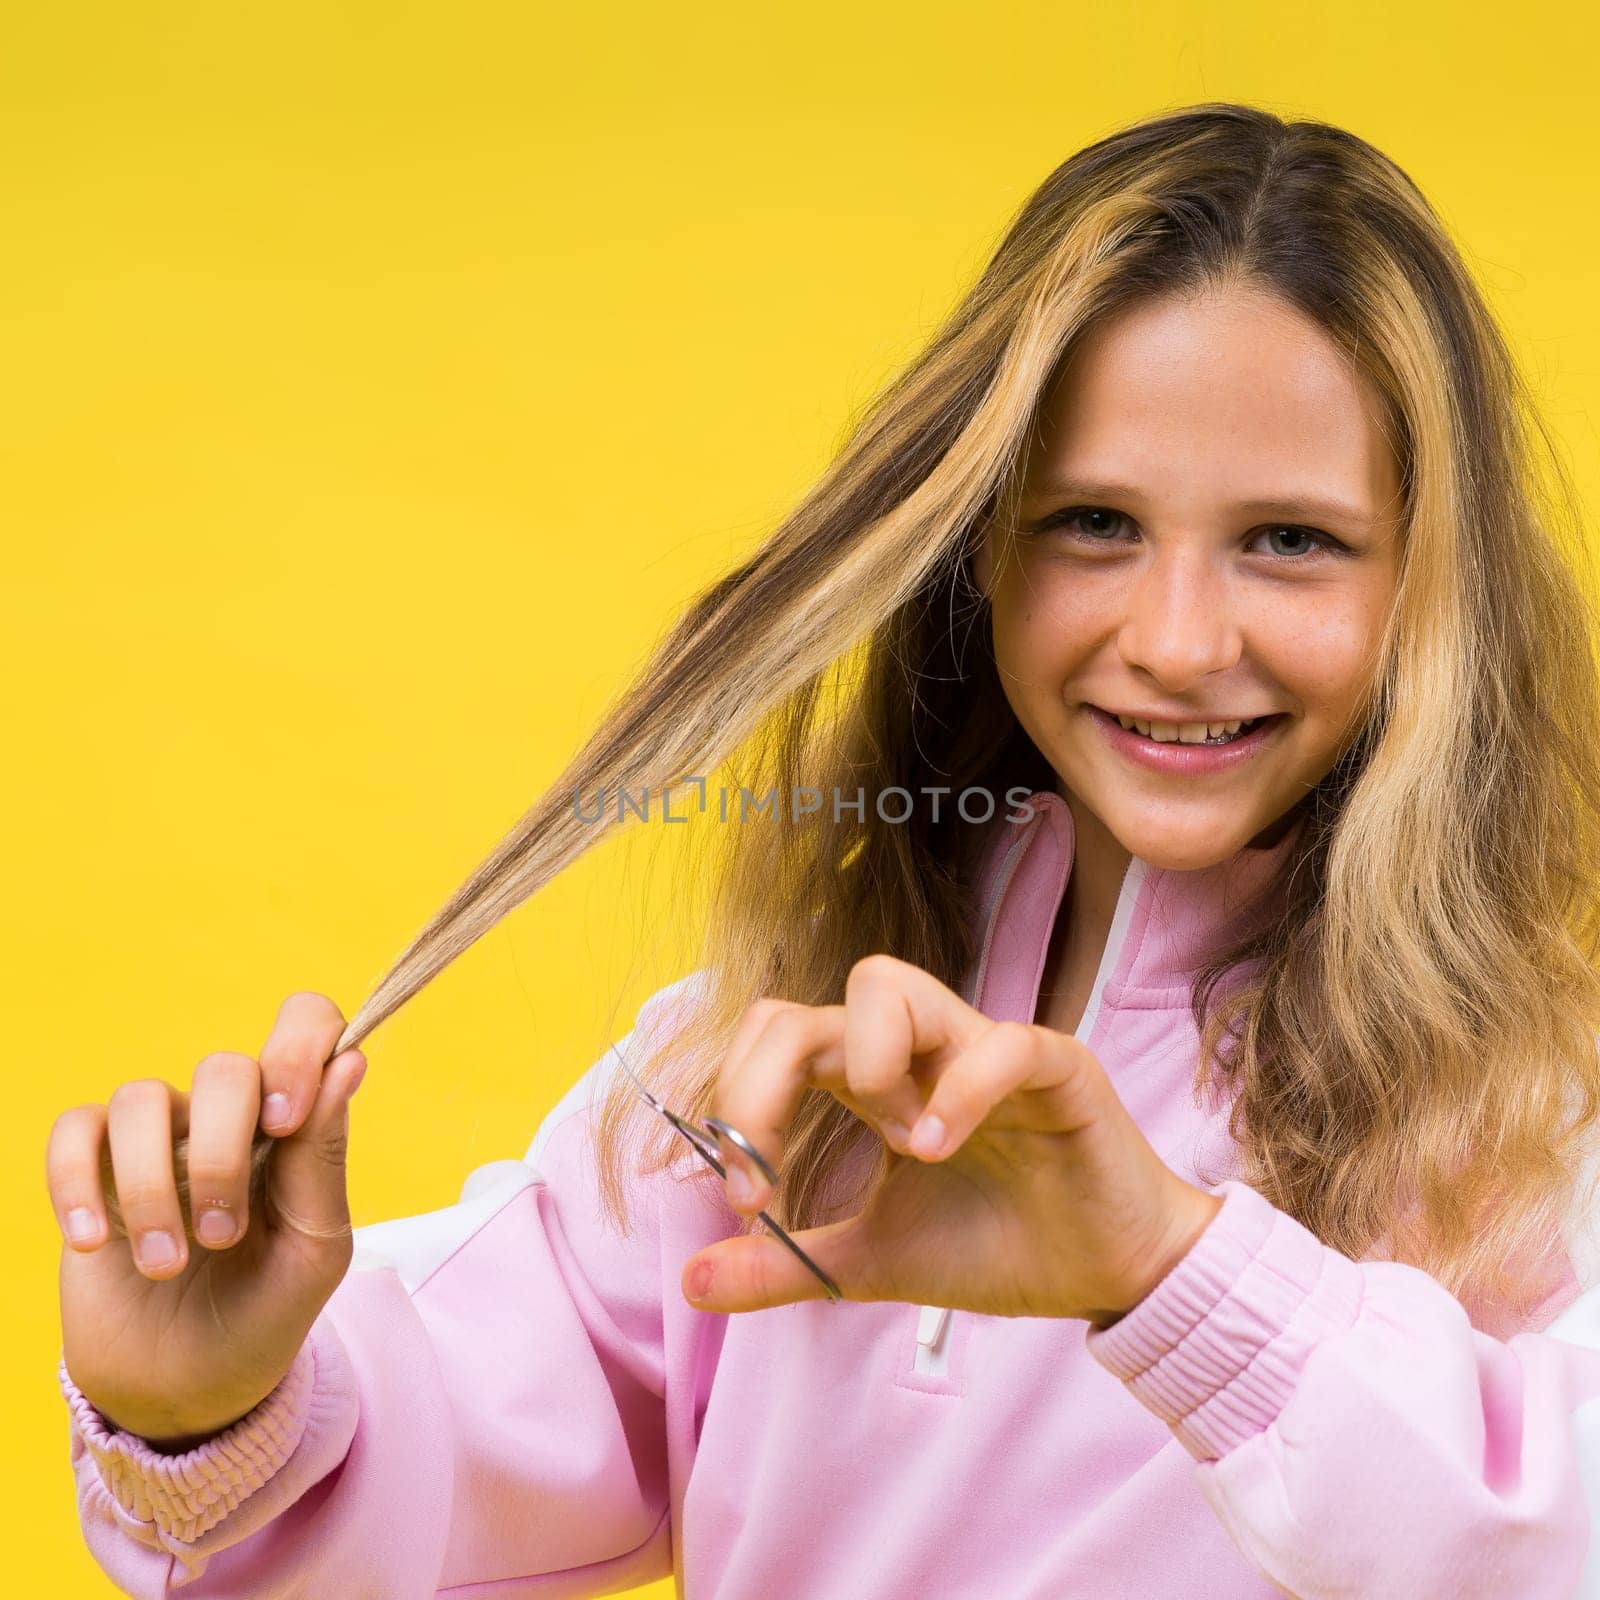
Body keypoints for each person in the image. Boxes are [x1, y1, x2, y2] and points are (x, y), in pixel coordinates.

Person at [46, 100, 1600, 1598]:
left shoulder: (1557, 1098)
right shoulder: (770, 1058)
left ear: (1433, 587)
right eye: (1093, 524)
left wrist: (1167, 1269)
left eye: (1292, 540)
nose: (1180, 642)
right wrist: (211, 1413)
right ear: (974, 543)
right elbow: (450, 1467)